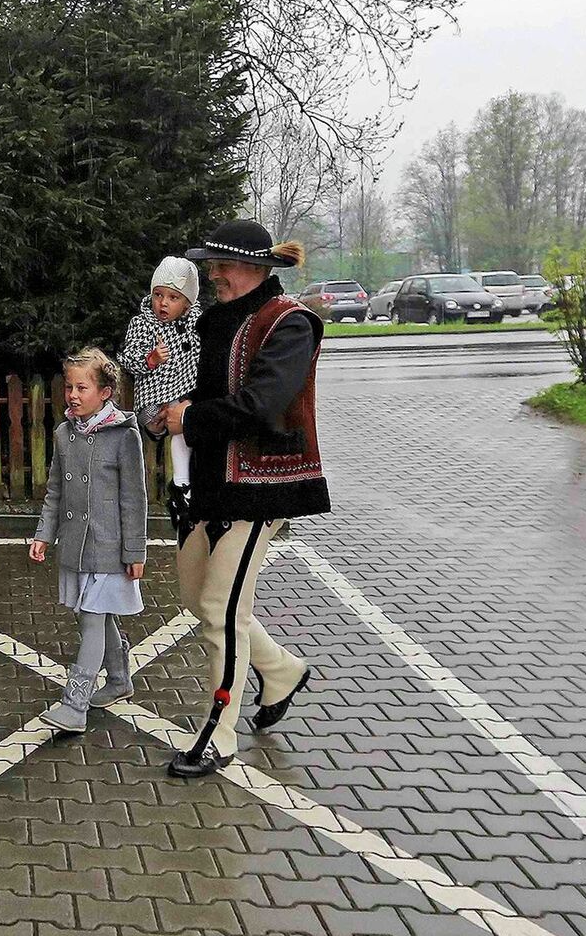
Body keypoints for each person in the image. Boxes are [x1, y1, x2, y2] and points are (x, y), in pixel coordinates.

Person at [158, 219, 329, 778]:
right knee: (197, 595)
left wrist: (193, 417)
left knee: (221, 609)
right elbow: (209, 395)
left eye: (221, 266)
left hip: (261, 488)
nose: (214, 276)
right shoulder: (216, 322)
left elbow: (262, 403)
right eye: (211, 266)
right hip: (211, 486)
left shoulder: (292, 324)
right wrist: (171, 414)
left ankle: (219, 732)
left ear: (255, 269)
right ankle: (279, 671)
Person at [29, 348, 147, 733]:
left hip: (108, 548)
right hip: (74, 546)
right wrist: (44, 535)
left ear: (106, 391)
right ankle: (119, 680)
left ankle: (74, 706)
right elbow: (54, 491)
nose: (73, 395)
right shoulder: (65, 433)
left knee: (91, 623)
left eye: (83, 387)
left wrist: (135, 550)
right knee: (90, 614)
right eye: (69, 387)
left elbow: (134, 498)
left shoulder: (124, 436)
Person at [117, 257, 202, 532]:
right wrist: (150, 359)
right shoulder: (142, 324)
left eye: (173, 297)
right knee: (176, 422)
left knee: (184, 428)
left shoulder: (197, 324)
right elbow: (128, 360)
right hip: (153, 402)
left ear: (187, 303)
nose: (163, 303)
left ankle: (181, 483)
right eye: (158, 295)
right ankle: (181, 484)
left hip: (185, 395)